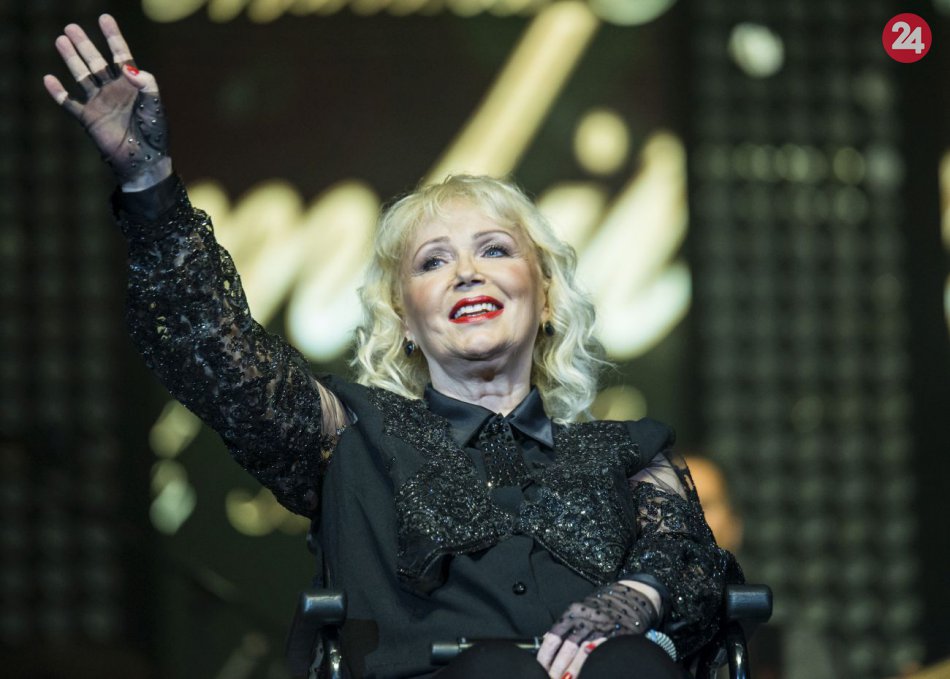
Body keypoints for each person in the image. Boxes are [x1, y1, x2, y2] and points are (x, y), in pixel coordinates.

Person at [44, 15, 742, 679]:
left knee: (632, 663)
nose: (466, 272)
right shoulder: (355, 438)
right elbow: (218, 354)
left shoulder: (630, 453)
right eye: (433, 261)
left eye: (494, 250)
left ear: (547, 295)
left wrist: (635, 596)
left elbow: (686, 559)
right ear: (404, 318)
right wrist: (149, 183)